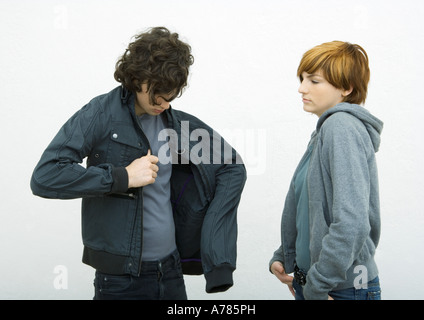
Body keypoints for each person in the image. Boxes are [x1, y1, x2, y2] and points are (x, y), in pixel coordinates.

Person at [31, 27, 246, 300]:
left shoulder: (177, 124)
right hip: (120, 280)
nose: (164, 103)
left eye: (171, 96)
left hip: (171, 271)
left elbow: (231, 166)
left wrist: (217, 251)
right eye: (158, 93)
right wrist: (122, 177)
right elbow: (46, 175)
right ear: (137, 78)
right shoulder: (101, 114)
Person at [269, 41, 383, 300]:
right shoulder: (323, 132)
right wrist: (286, 255)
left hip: (341, 289)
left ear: (346, 88)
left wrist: (317, 285)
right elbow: (314, 212)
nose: (301, 88)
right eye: (302, 79)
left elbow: (351, 223)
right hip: (323, 284)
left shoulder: (340, 127)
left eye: (314, 81)